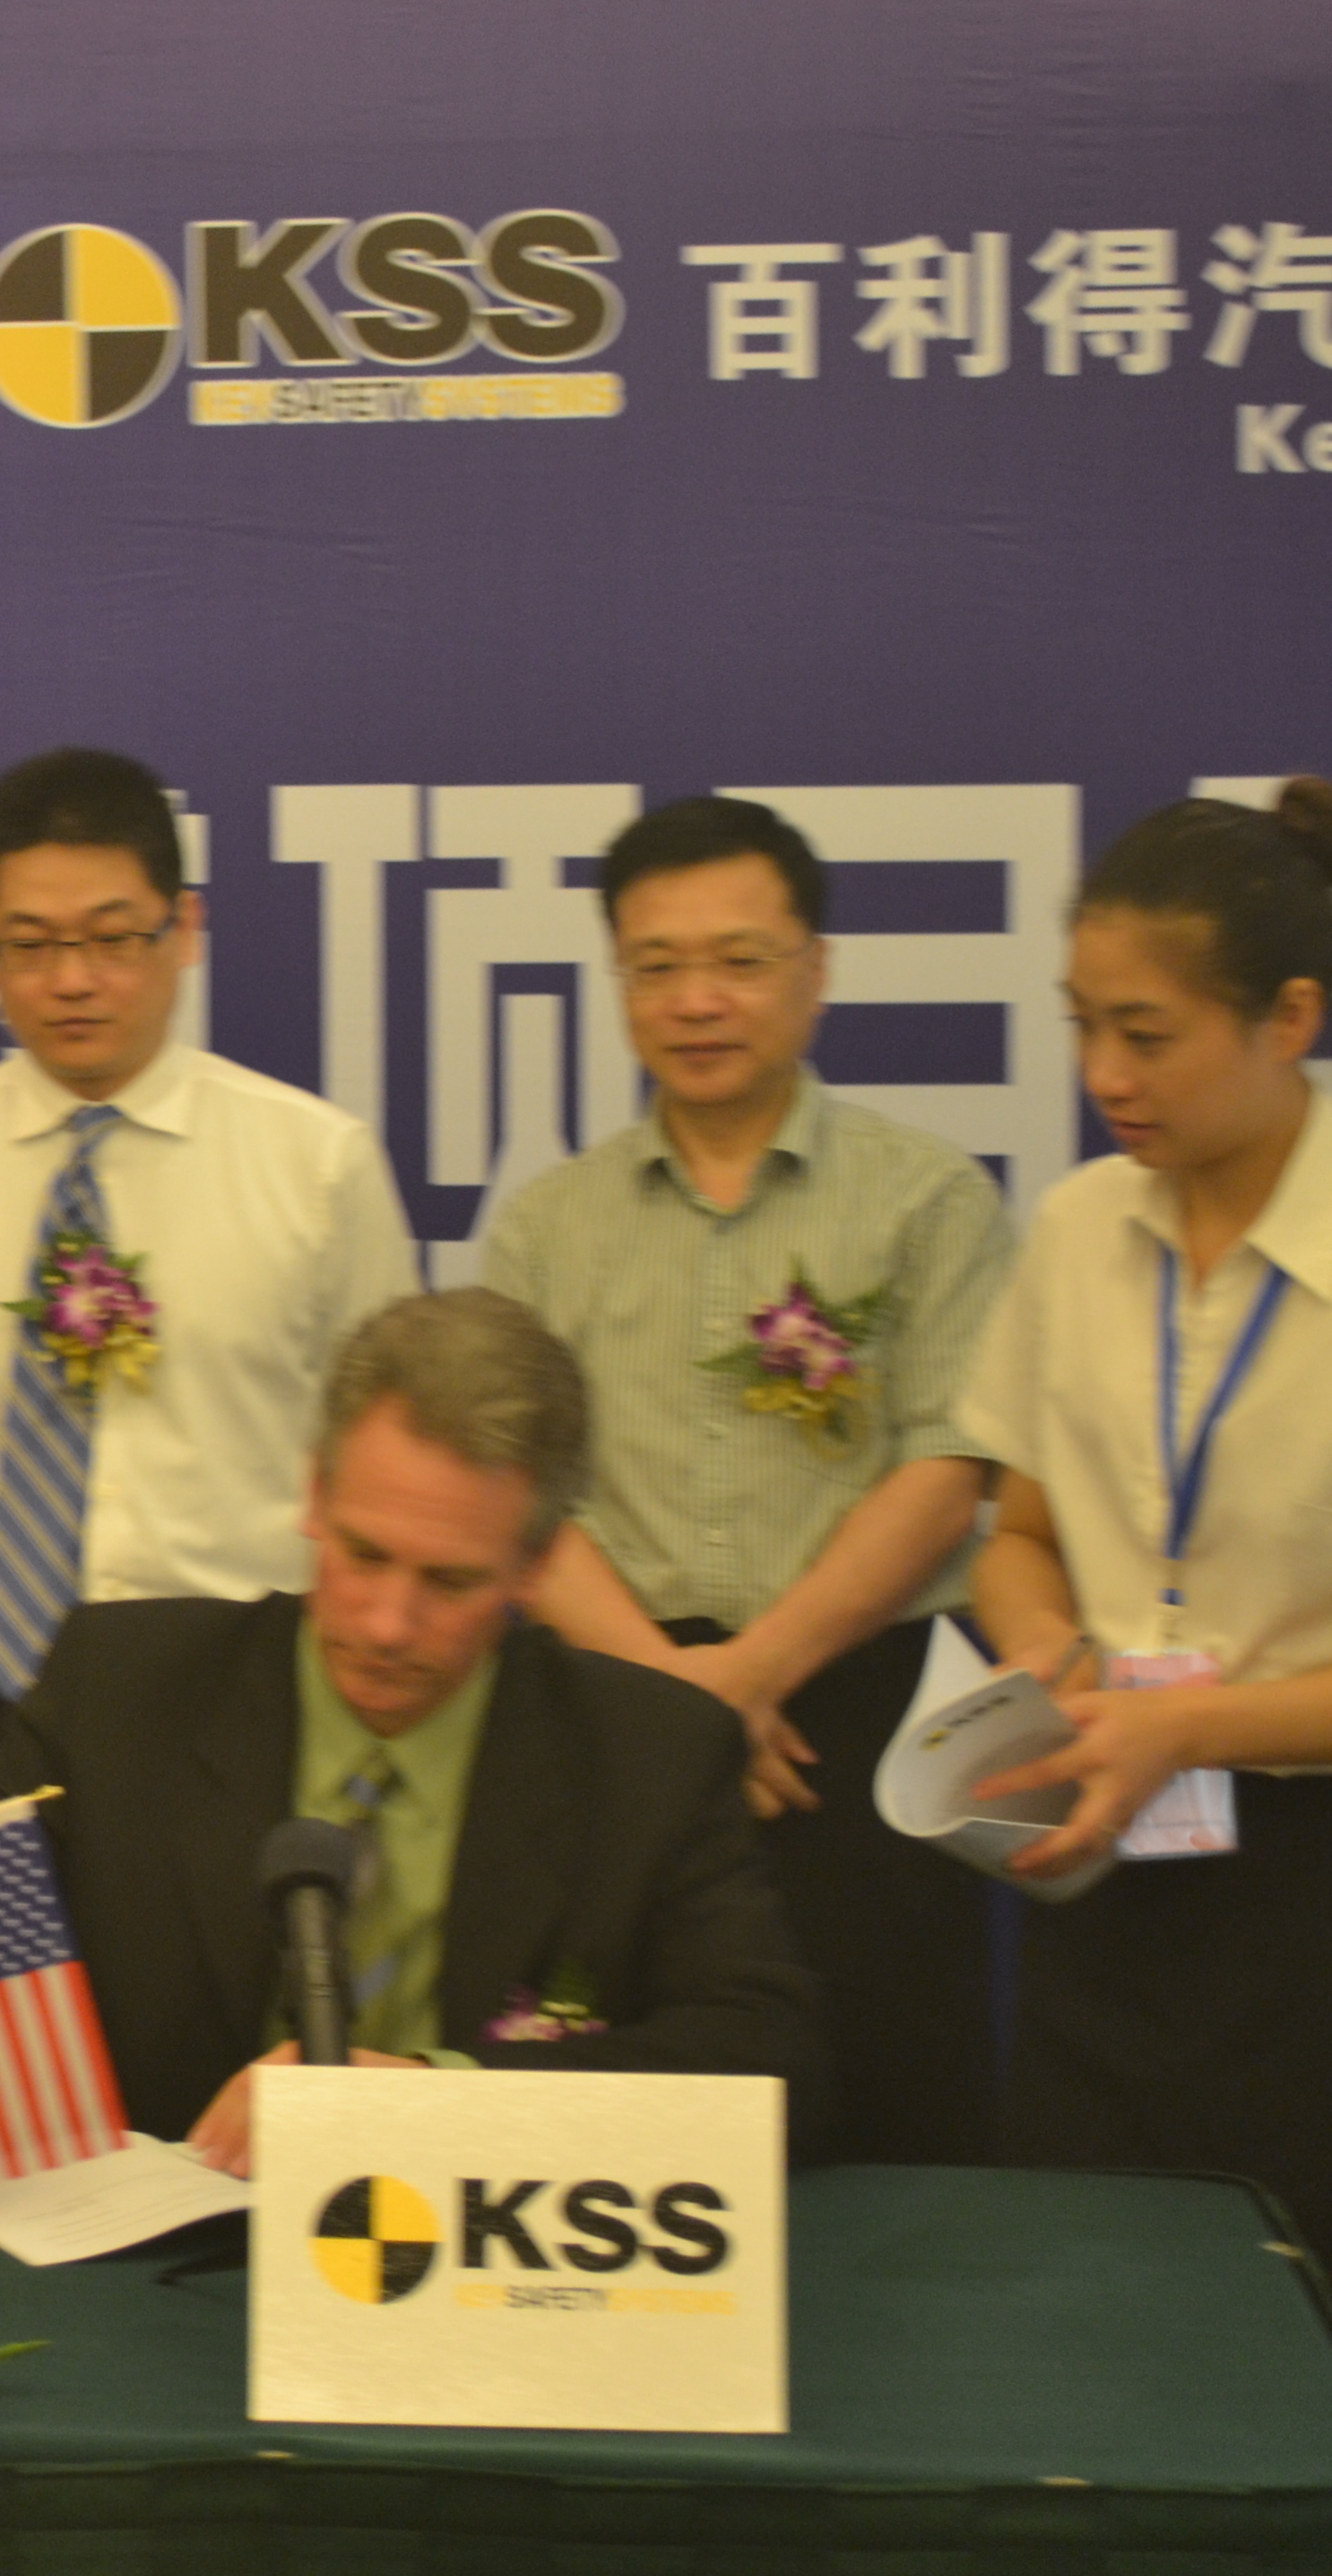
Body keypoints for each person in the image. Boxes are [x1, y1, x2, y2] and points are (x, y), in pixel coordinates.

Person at [0, 1288, 826, 2173]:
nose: (387, 1625)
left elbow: (770, 2066)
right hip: (170, 2242)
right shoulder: (118, 1689)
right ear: (313, 1496)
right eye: (364, 1554)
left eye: (449, 1583)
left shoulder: (649, 1753)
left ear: (536, 1566)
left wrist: (432, 2102)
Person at [481, 795, 1015, 2164]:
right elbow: (519, 1497)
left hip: (856, 1719)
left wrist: (749, 1680)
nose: (696, 1001)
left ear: (816, 970)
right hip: (613, 1717)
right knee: (625, 2129)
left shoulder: (929, 1198)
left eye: (739, 960)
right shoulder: (547, 1224)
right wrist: (680, 1701)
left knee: (893, 2107)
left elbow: (949, 1465)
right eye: (656, 966)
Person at [0, 747, 419, 1820]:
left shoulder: (316, 1165)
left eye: (112, 938)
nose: (73, 981)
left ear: (184, 929)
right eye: (31, 945)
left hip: (237, 1690)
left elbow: (383, 1451)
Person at [958, 782, 1332, 2239]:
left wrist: (1188, 1726)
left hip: (1302, 1869)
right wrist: (1049, 1658)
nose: (1104, 1074)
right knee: (1092, 2274)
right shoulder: (1075, 1227)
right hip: (1109, 1848)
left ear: (1287, 1018)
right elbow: (1018, 1533)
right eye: (1081, 1026)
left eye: (1146, 1034)